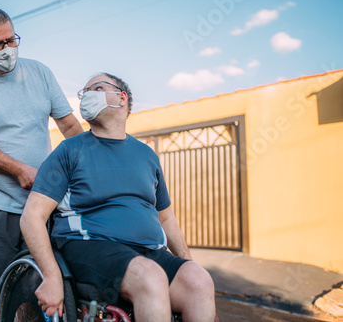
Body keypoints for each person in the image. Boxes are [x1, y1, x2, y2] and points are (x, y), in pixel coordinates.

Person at [21, 73, 218, 322]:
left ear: (121, 98)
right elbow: (32, 217)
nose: (87, 95)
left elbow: (166, 218)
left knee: (199, 281)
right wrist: (51, 277)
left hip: (149, 251)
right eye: (84, 92)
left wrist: (187, 264)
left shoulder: (147, 156)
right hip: (90, 245)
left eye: (98, 88)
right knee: (150, 276)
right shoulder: (70, 150)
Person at [0, 7, 83, 322]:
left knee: (40, 282)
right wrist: (20, 170)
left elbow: (70, 126)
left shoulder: (39, 72)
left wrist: (88, 161)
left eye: (12, 40)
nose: (7, 49)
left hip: (42, 202)